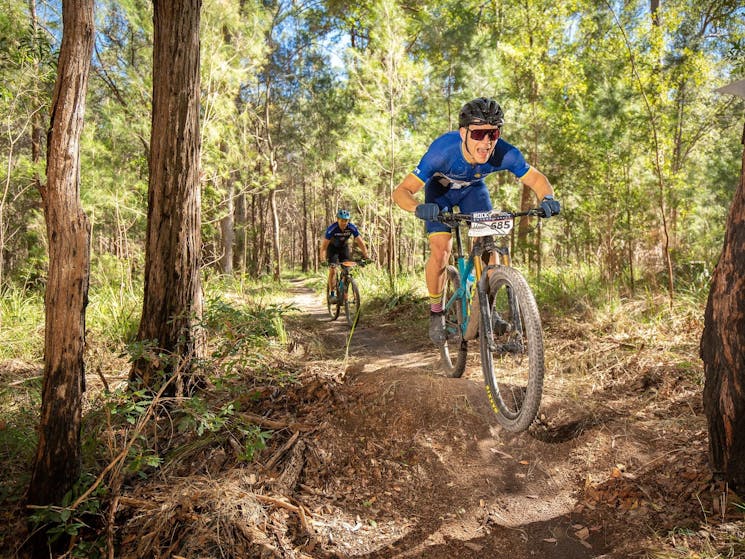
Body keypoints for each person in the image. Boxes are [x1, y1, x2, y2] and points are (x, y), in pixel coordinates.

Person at [391, 97, 561, 344]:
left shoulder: (505, 153)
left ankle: (486, 311)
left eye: (492, 133)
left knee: (488, 250)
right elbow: (401, 191)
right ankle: (436, 312)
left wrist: (548, 198)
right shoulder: (441, 153)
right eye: (479, 134)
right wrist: (418, 208)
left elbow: (536, 179)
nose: (486, 142)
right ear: (463, 133)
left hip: (473, 191)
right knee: (441, 250)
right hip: (440, 194)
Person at [321, 209, 370, 303]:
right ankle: (332, 294)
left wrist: (366, 256)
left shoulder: (352, 228)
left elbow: (361, 243)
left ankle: (345, 296)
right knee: (333, 269)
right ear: (338, 220)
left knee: (347, 269)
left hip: (344, 248)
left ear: (348, 221)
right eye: (342, 220)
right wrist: (322, 259)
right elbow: (323, 247)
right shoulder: (332, 229)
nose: (344, 223)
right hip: (332, 249)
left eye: (346, 221)